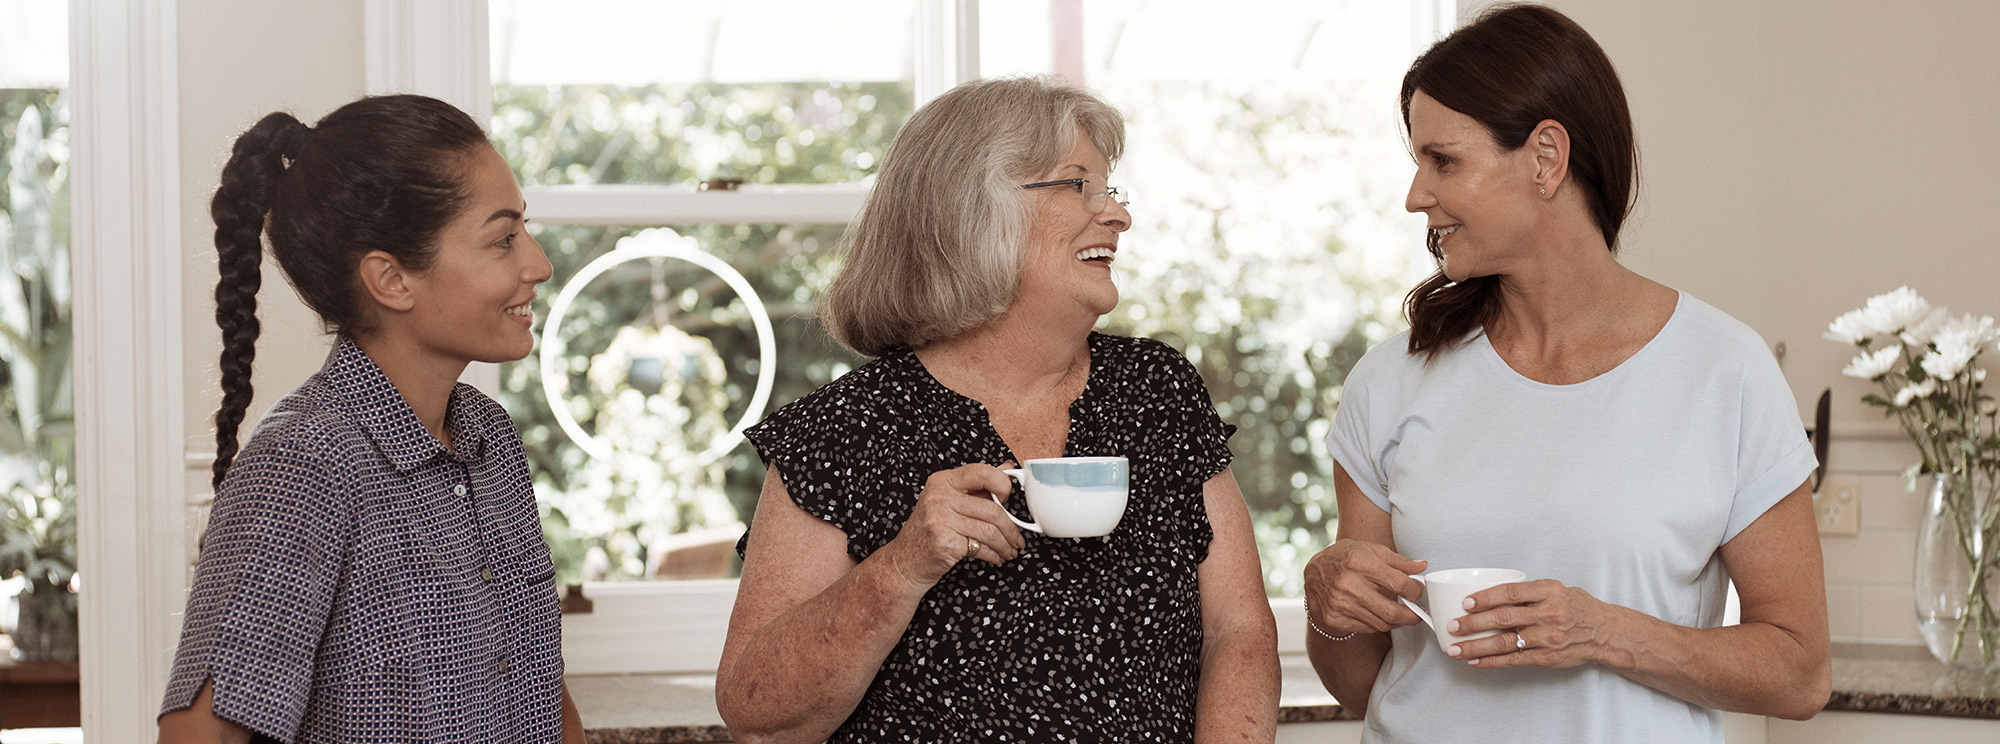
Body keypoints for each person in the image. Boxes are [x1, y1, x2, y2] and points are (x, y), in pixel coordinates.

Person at [1301, 5, 1831, 742]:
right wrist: (1330, 611)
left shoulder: (1724, 372)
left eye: (1442, 160)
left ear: (1546, 158)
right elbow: (1363, 684)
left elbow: (1801, 673)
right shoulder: (1389, 381)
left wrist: (1603, 632)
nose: (1415, 195)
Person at [715, 76, 1280, 743]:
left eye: (1110, 189)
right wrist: (903, 566)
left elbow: (1238, 629)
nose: (1118, 215)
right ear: (971, 212)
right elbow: (757, 710)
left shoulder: (1157, 392)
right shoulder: (843, 431)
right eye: (1078, 185)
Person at [156, 95, 584, 744]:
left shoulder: (491, 438)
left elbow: (536, 684)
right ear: (391, 280)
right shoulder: (301, 466)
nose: (538, 264)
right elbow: (201, 736)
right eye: (503, 239)